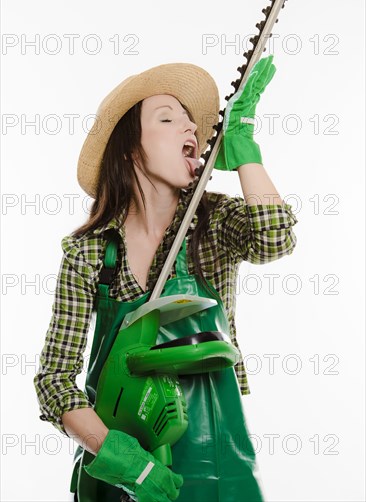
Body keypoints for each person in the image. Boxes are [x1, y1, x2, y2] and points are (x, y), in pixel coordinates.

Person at [34, 58, 298, 502]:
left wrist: (245, 149)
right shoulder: (90, 253)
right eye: (167, 118)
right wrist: (123, 463)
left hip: (221, 468)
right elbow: (54, 381)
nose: (191, 129)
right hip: (119, 476)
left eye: (192, 124)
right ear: (130, 150)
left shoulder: (214, 224)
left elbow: (273, 238)